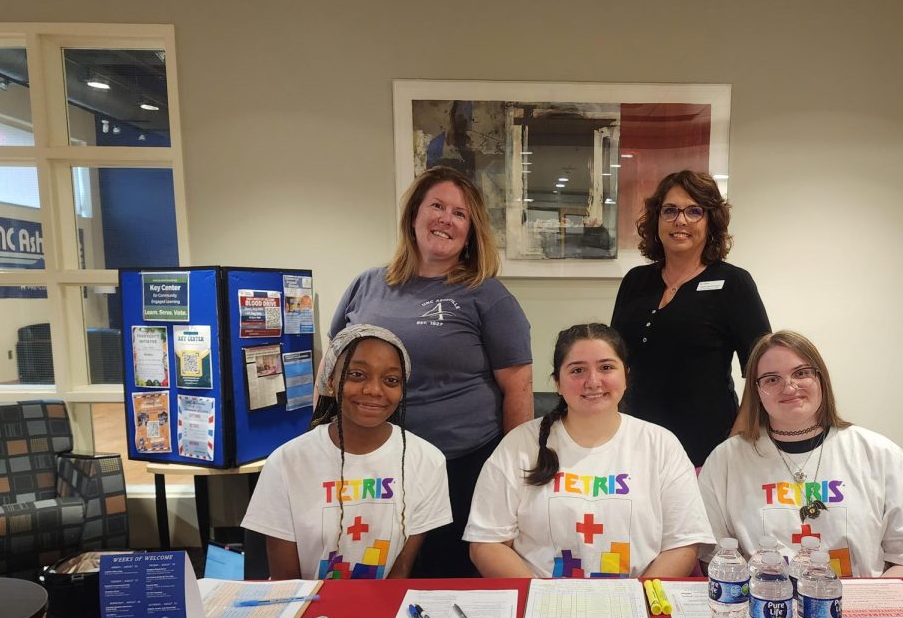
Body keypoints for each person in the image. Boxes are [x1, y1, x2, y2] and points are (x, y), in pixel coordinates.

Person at [328, 167, 534, 577]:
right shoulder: (368, 284)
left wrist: (514, 471)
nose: (446, 219)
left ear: (470, 231)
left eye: (460, 214)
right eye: (437, 206)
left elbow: (519, 387)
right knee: (373, 571)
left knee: (446, 579)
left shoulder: (486, 294)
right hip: (373, 464)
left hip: (460, 467)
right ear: (414, 216)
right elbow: (332, 364)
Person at [699, 330, 903, 577]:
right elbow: (715, 560)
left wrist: (857, 607)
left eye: (801, 373)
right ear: (756, 392)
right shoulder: (726, 461)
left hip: (859, 607)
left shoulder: (879, 454)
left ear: (821, 379)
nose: (789, 387)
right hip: (765, 609)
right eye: (771, 379)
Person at [465, 323, 713, 579]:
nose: (593, 381)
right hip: (541, 604)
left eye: (606, 367)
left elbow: (683, 543)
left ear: (625, 375)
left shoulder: (660, 444)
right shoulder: (520, 444)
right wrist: (541, 600)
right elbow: (487, 543)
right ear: (557, 383)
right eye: (578, 370)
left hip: (637, 602)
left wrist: (639, 600)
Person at [243, 324, 451, 581]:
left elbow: (401, 573)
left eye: (391, 380)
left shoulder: (427, 461)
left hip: (382, 606)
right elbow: (286, 584)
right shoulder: (286, 463)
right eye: (357, 375)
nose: (374, 390)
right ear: (330, 382)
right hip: (307, 609)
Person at [611, 170, 770, 467]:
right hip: (635, 444)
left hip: (707, 447)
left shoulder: (733, 283)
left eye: (694, 211)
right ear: (656, 219)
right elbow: (615, 359)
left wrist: (734, 443)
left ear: (711, 221)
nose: (680, 221)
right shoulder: (635, 281)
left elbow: (761, 371)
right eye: (669, 210)